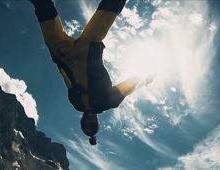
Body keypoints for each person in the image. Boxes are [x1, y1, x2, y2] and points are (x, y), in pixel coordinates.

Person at [30, 0, 139, 145]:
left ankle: (42, 3)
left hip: (67, 58)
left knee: (52, 40)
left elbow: (69, 83)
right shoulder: (106, 103)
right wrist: (143, 79)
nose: (87, 122)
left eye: (84, 126)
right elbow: (126, 88)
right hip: (87, 53)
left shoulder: (77, 104)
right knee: (102, 19)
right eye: (91, 125)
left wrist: (61, 69)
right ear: (96, 122)